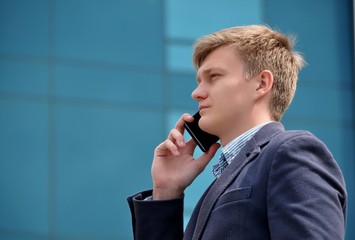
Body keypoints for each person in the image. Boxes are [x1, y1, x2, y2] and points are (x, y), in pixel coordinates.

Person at [127, 25, 347, 240]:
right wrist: (166, 191)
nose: (196, 93)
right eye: (199, 81)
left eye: (214, 77)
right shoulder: (220, 184)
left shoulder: (291, 152)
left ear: (262, 83)